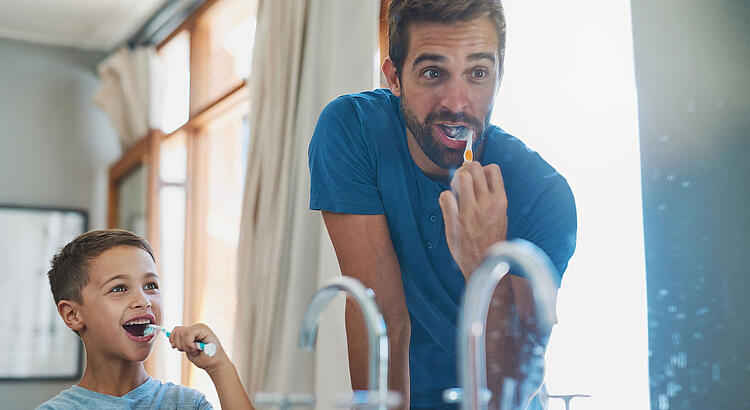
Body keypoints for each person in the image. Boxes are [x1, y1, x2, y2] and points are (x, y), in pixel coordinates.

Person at [308, 0, 577, 408]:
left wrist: (487, 262)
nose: (457, 102)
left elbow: (516, 386)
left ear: (500, 76)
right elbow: (383, 319)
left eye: (478, 73)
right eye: (434, 73)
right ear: (394, 78)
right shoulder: (352, 130)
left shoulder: (544, 196)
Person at [37, 229, 254, 410]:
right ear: (72, 315)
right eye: (119, 288)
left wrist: (219, 366)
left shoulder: (185, 404)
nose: (143, 301)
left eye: (150, 286)